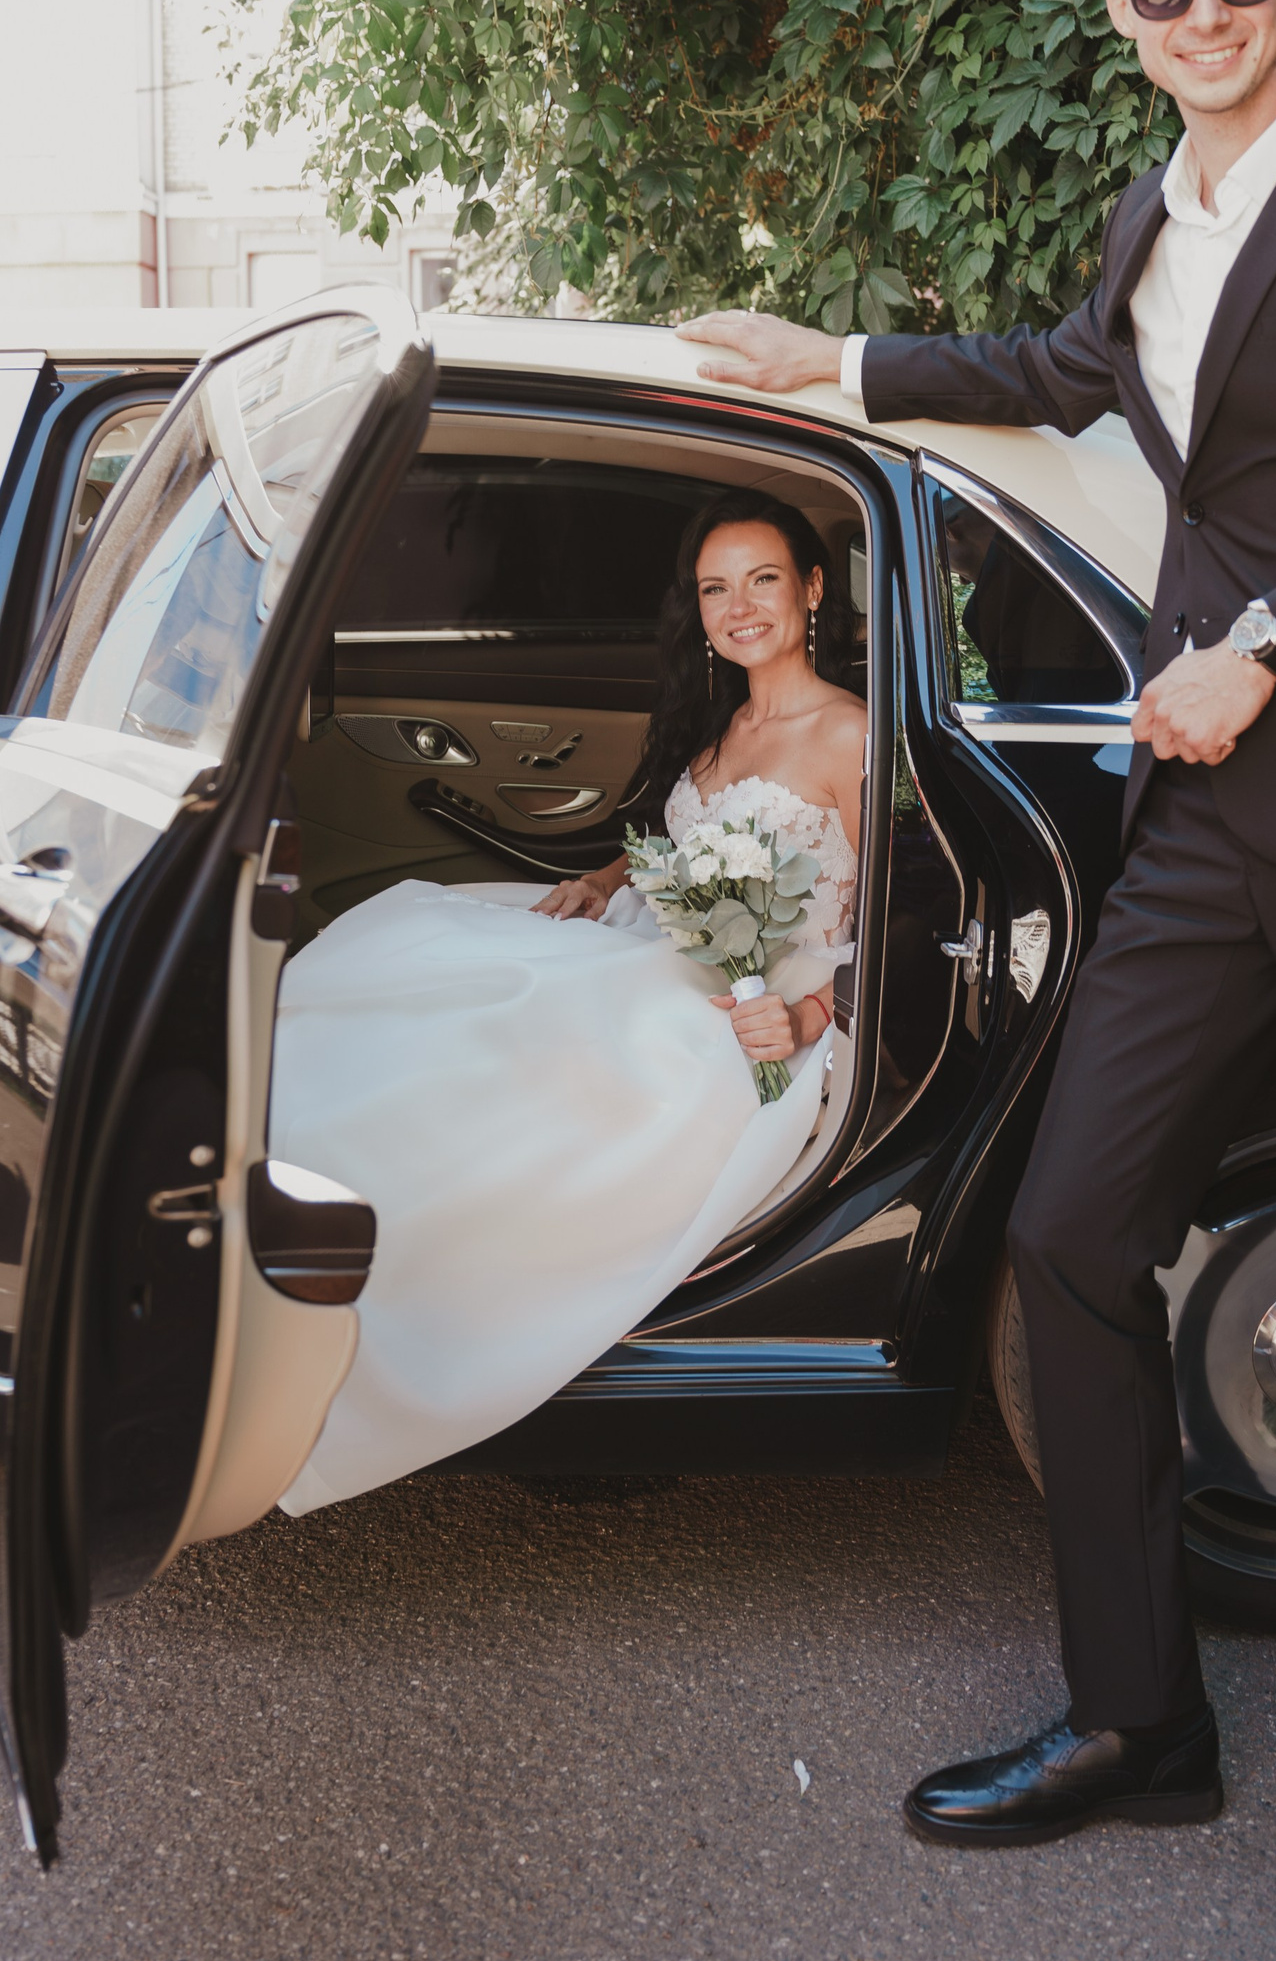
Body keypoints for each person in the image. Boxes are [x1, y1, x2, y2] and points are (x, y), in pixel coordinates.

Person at [684, 0, 1276, 1912]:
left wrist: (1268, 649)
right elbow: (1066, 374)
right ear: (1120, 11)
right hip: (1211, 825)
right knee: (1073, 1234)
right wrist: (836, 367)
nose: (1205, 14)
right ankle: (1137, 1720)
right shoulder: (1150, 214)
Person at [269, 491, 867, 1515]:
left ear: (813, 589)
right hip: (661, 943)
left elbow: (909, 911)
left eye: (763, 580)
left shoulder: (851, 734)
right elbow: (686, 845)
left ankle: (392, 1306)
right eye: (715, 589)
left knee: (518, 1035)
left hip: (765, 999)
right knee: (432, 966)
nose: (739, 608)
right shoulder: (724, 719)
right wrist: (603, 878)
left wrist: (811, 1019)